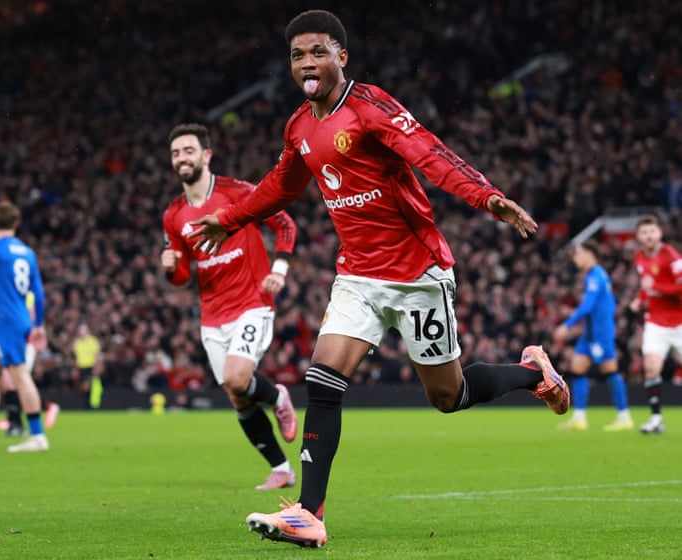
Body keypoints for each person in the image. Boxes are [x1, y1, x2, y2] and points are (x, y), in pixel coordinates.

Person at [188, 10, 570, 548]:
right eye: (297, 55)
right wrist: (228, 219)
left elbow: (429, 153)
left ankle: (533, 374)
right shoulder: (299, 126)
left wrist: (486, 196)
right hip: (358, 275)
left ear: (341, 56)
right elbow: (280, 185)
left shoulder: (369, 107)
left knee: (449, 395)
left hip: (417, 272)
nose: (307, 63)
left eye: (318, 52)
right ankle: (309, 513)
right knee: (322, 379)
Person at [162, 122, 299, 490]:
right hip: (212, 314)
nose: (181, 158)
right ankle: (282, 469)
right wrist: (172, 268)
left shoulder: (237, 191)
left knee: (238, 379)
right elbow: (183, 276)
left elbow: (284, 224)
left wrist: (279, 270)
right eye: (175, 153)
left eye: (188, 150)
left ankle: (278, 396)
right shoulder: (173, 214)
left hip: (252, 301)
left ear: (206, 155)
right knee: (237, 395)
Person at [0, 200, 49, 452]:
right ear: (16, 223)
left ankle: (38, 436)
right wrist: (38, 323)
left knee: (20, 376)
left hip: (6, 321)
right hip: (19, 318)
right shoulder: (27, 252)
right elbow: (38, 293)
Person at [552, 240, 633, 431]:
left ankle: (624, 417)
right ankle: (579, 418)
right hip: (589, 333)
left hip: (601, 334)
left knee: (610, 371)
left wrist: (566, 325)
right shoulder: (591, 276)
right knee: (577, 368)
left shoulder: (597, 276)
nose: (575, 258)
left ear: (590, 254)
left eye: (579, 253)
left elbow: (587, 306)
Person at [628, 214, 682, 434]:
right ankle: (656, 419)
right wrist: (639, 299)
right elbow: (646, 285)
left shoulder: (672, 257)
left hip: (679, 321)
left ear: (660, 233)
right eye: (644, 232)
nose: (649, 236)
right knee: (651, 367)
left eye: (652, 231)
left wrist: (656, 287)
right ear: (638, 236)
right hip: (656, 322)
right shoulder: (639, 256)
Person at [72, 322, 103, 409]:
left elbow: (97, 355)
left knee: (88, 385)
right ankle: (88, 404)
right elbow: (76, 357)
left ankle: (89, 404)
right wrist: (76, 369)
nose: (80, 332)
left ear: (87, 330)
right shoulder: (77, 342)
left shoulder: (93, 341)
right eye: (79, 330)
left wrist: (97, 366)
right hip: (81, 367)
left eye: (82, 330)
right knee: (83, 387)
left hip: (90, 366)